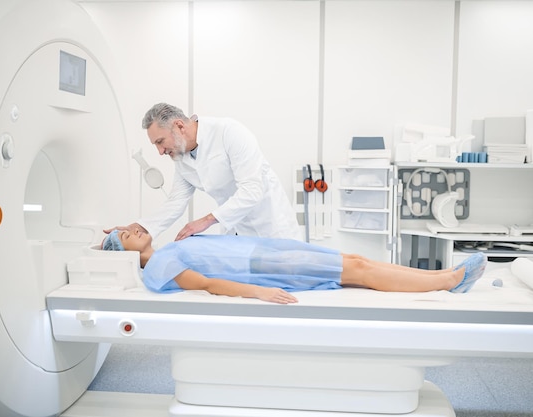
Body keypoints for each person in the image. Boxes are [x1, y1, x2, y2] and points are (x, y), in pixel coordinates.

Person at [101, 228, 488, 304]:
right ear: (123, 252)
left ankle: (444, 278)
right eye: (124, 233)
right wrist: (259, 293)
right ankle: (449, 281)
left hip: (265, 252)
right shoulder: (157, 269)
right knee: (360, 273)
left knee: (358, 261)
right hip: (264, 269)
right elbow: (206, 284)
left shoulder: (169, 247)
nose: (132, 227)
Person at [106, 103, 301, 242]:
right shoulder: (182, 157)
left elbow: (252, 189)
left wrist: (205, 221)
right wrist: (141, 226)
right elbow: (176, 201)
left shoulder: (229, 132)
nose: (160, 151)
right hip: (235, 233)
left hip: (272, 227)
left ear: (180, 127)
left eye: (160, 142)